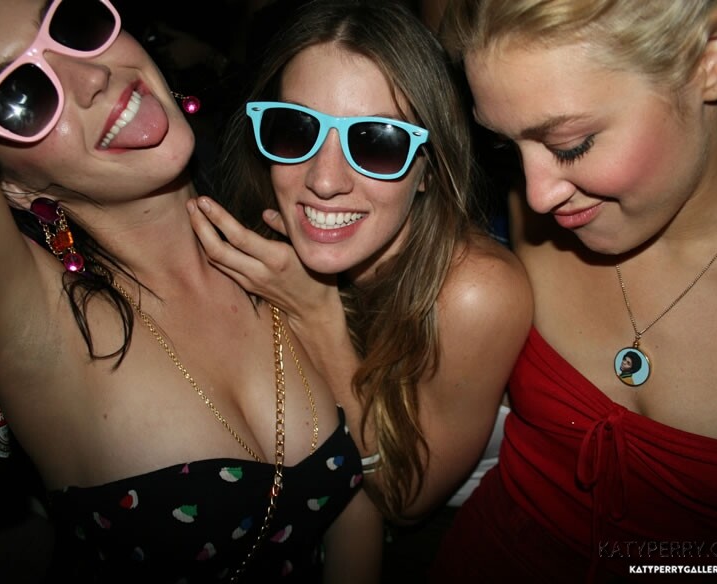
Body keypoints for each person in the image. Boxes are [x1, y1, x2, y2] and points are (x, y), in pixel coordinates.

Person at [0, 1, 379, 582]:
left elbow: (355, 503)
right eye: (20, 97)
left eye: (73, 24)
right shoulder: (30, 323)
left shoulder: (288, 229)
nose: (91, 76)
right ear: (9, 184)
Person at [429, 0, 717, 581]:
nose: (536, 196)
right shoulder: (546, 213)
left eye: (572, 144)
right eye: (508, 146)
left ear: (712, 61)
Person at [187, 0, 533, 524]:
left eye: (377, 144)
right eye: (296, 130)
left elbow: (406, 499)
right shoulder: (266, 249)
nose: (324, 180)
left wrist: (316, 313)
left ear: (429, 170)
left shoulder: (475, 292)